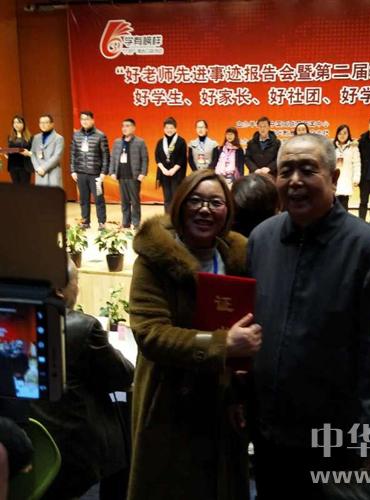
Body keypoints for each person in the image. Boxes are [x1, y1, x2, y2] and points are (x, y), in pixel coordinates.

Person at [248, 134, 370, 499]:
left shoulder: (368, 249)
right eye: (286, 171)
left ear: (333, 178)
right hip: (269, 431)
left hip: (333, 439)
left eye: (307, 170)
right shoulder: (262, 239)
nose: (295, 181)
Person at [128, 169, 262, 500]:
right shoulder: (154, 260)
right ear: (180, 205)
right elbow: (151, 334)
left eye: (215, 203)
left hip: (221, 400)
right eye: (196, 201)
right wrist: (221, 344)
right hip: (169, 400)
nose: (205, 210)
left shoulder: (236, 258)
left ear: (227, 211)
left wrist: (242, 394)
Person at [30, 259, 134, 499]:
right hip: (77, 450)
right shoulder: (83, 327)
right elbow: (123, 374)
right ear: (60, 289)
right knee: (122, 420)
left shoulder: (16, 318)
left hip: (33, 440)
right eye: (76, 282)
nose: (77, 288)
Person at [70, 111, 110, 230]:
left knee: (99, 199)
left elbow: (106, 155)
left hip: (96, 174)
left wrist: (103, 172)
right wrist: (73, 170)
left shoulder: (100, 135)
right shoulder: (76, 135)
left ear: (93, 120)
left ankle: (101, 222)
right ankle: (85, 221)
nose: (85, 121)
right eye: (82, 119)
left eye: (87, 119)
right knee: (83, 199)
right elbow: (73, 154)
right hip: (81, 173)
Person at [109, 118, 149, 230]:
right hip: (121, 175)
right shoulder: (117, 142)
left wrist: (143, 173)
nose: (124, 128)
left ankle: (136, 223)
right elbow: (112, 158)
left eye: (127, 126)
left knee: (135, 201)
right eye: (123, 126)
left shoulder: (140, 142)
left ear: (133, 128)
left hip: (134, 176)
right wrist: (112, 171)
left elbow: (145, 159)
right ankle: (126, 222)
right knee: (124, 201)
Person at [155, 116, 187, 212]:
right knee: (167, 198)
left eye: (171, 128)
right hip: (164, 174)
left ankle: (177, 218)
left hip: (177, 175)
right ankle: (167, 218)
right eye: (167, 128)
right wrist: (163, 170)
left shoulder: (181, 141)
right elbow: (157, 157)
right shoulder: (160, 142)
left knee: (176, 198)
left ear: (175, 129)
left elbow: (182, 158)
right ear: (164, 129)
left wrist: (173, 170)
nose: (169, 130)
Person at [24, 114, 64, 187]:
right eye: (41, 122)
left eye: (46, 122)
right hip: (39, 173)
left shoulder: (58, 138)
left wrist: (43, 168)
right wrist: (37, 168)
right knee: (41, 194)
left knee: (54, 193)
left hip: (52, 173)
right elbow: (33, 154)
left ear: (52, 124)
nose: (43, 125)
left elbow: (57, 156)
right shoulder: (36, 138)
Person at [334, 124, 361, 211]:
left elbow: (357, 163)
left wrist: (356, 178)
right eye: (340, 133)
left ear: (348, 134)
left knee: (344, 204)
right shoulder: (332, 147)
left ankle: (344, 219)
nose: (342, 135)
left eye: (345, 133)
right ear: (337, 134)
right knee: (334, 205)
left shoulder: (353, 147)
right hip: (335, 180)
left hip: (347, 179)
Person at [5, 115, 32, 185]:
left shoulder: (29, 138)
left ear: (23, 124)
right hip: (13, 167)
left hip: (25, 167)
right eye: (14, 122)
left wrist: (28, 153)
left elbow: (32, 153)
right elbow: (10, 154)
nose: (16, 124)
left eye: (18, 122)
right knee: (16, 189)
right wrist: (4, 152)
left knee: (25, 189)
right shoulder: (10, 138)